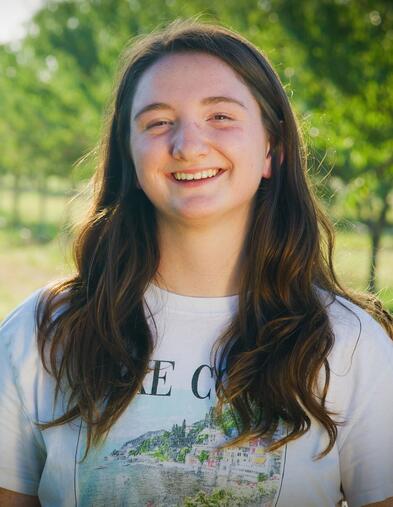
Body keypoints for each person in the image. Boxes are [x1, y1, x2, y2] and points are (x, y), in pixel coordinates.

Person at [0, 19, 392, 507]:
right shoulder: (43, 333)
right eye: (158, 122)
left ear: (272, 149)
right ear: (130, 153)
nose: (187, 145)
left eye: (221, 117)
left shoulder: (350, 343)